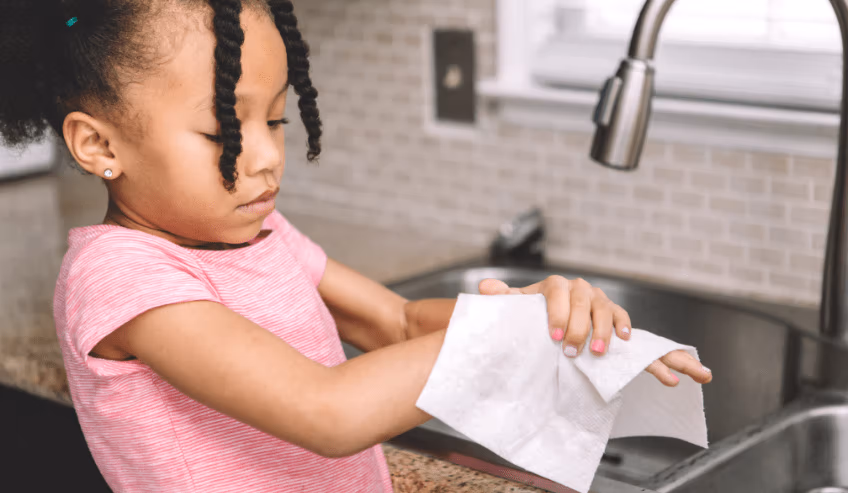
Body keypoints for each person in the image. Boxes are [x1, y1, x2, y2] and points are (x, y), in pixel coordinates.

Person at [0, 1, 713, 491]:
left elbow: (394, 324)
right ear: (98, 145)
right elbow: (327, 410)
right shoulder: (119, 277)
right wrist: (503, 339)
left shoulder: (259, 232)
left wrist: (541, 321)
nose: (267, 158)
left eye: (277, 120)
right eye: (224, 130)